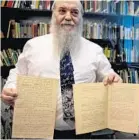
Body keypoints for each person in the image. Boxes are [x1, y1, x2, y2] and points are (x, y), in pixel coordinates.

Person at [1, 0, 122, 139]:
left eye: (74, 12)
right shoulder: (34, 46)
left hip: (82, 131)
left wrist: (114, 79)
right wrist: (10, 87)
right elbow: (18, 72)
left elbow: (109, 76)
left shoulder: (95, 50)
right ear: (53, 14)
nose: (68, 17)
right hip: (40, 130)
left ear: (81, 18)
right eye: (62, 11)